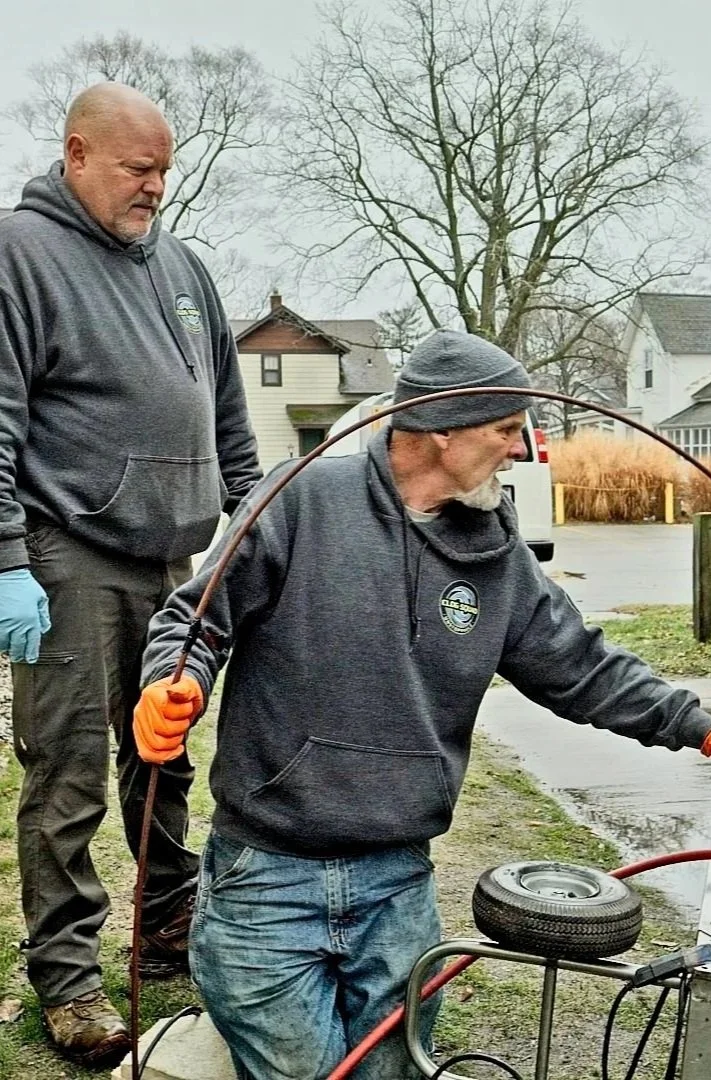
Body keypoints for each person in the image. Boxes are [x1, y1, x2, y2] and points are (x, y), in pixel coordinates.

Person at [135, 329, 711, 1080]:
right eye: (506, 428)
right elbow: (196, 621)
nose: (520, 449)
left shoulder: (494, 551)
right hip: (266, 873)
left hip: (397, 880)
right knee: (300, 1073)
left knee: (394, 1070)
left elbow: (581, 666)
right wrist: (172, 683)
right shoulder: (301, 498)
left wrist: (706, 732)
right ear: (441, 429)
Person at [0, 83, 262, 1066]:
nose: (155, 186)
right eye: (137, 169)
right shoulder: (20, 255)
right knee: (66, 772)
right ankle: (67, 977)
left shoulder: (183, 266)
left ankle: (165, 921)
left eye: (165, 170)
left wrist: (258, 518)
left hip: (173, 560)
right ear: (77, 154)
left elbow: (225, 409)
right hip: (66, 554)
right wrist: (6, 563)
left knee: (165, 750)